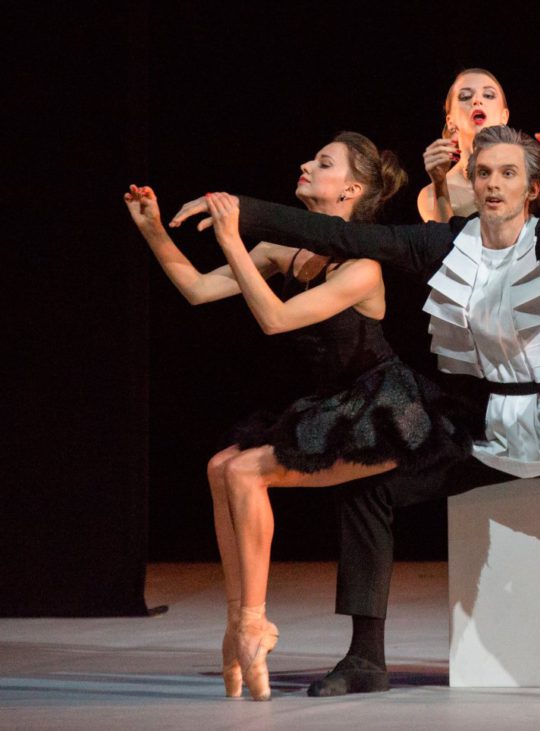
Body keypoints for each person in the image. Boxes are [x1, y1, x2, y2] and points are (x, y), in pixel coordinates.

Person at [170, 125, 540, 699]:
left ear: (532, 187)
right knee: (369, 482)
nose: (493, 184)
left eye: (508, 173)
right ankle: (364, 656)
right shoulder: (439, 243)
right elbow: (335, 233)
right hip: (479, 431)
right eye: (483, 173)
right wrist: (241, 212)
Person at [125, 132, 470, 701]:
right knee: (219, 467)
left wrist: (236, 239)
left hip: (384, 412)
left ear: (351, 191)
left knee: (243, 472)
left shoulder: (362, 266)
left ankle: (255, 624)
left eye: (323, 163)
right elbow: (195, 289)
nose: (307, 165)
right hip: (330, 407)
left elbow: (276, 320)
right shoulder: (283, 253)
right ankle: (238, 624)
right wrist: (153, 228)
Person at [417, 68, 540, 222]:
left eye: (488, 95)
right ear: (450, 121)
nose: (477, 100)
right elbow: (442, 245)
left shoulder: (527, 177)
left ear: (504, 116)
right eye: (465, 97)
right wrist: (440, 186)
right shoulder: (432, 194)